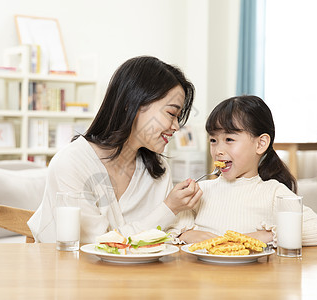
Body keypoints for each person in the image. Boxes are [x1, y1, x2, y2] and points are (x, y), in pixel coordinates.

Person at [28, 56, 202, 243]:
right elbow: (98, 245)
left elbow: (174, 232)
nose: (176, 126)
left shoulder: (158, 169)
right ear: (132, 104)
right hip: (75, 271)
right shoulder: (71, 164)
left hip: (144, 273)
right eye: (171, 114)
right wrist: (169, 208)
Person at [171, 95, 317, 246]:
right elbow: (170, 231)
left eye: (229, 139)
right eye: (213, 140)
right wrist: (187, 235)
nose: (218, 150)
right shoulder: (201, 191)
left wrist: (267, 235)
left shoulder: (273, 192)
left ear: (260, 144)